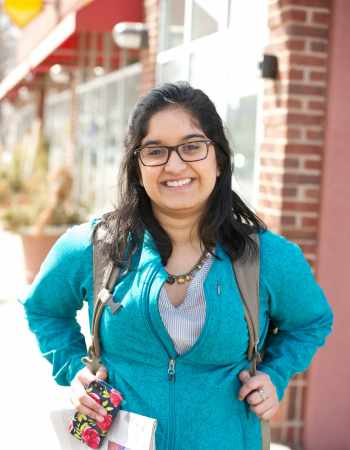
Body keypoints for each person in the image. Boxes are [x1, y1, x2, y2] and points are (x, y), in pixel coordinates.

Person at [22, 82, 333, 450]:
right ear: (137, 167)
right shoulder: (95, 246)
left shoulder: (268, 257)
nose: (174, 164)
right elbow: (43, 308)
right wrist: (74, 369)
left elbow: (312, 321)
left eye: (192, 146)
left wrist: (274, 375)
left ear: (218, 158)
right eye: (155, 151)